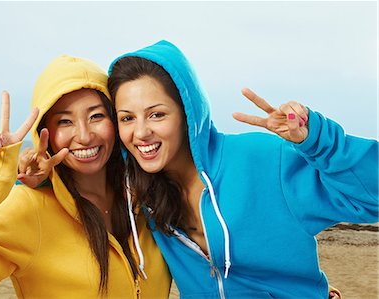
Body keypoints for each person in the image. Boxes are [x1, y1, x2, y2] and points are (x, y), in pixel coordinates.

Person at [104, 40, 378, 298]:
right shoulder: (141, 196)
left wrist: (317, 141)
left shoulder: (264, 159)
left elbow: (370, 199)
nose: (140, 132)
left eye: (157, 114)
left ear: (187, 114)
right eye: (127, 118)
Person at [0, 55, 170, 298]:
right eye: (65, 121)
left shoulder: (147, 199)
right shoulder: (28, 209)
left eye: (96, 116)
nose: (84, 136)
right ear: (45, 133)